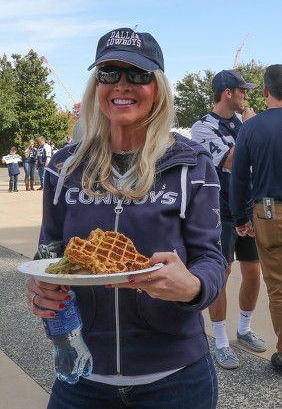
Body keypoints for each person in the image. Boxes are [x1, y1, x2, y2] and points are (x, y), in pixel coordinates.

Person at [26, 27, 226, 409]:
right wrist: (39, 289)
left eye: (137, 74)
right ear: (95, 84)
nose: (122, 85)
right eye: (109, 73)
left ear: (158, 86)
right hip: (83, 377)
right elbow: (50, 253)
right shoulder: (63, 167)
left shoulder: (193, 164)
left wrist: (195, 287)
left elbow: (211, 257)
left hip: (176, 378)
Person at [191, 69, 266, 370]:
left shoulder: (243, 122)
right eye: (243, 92)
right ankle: (221, 341)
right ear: (227, 93)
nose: (247, 97)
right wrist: (250, 129)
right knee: (221, 273)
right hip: (219, 211)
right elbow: (232, 161)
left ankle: (244, 329)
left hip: (248, 208)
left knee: (253, 272)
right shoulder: (202, 127)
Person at [230, 64, 282, 375]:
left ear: (264, 92)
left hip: (268, 212)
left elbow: (239, 180)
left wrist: (240, 217)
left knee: (278, 287)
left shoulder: (250, 128)